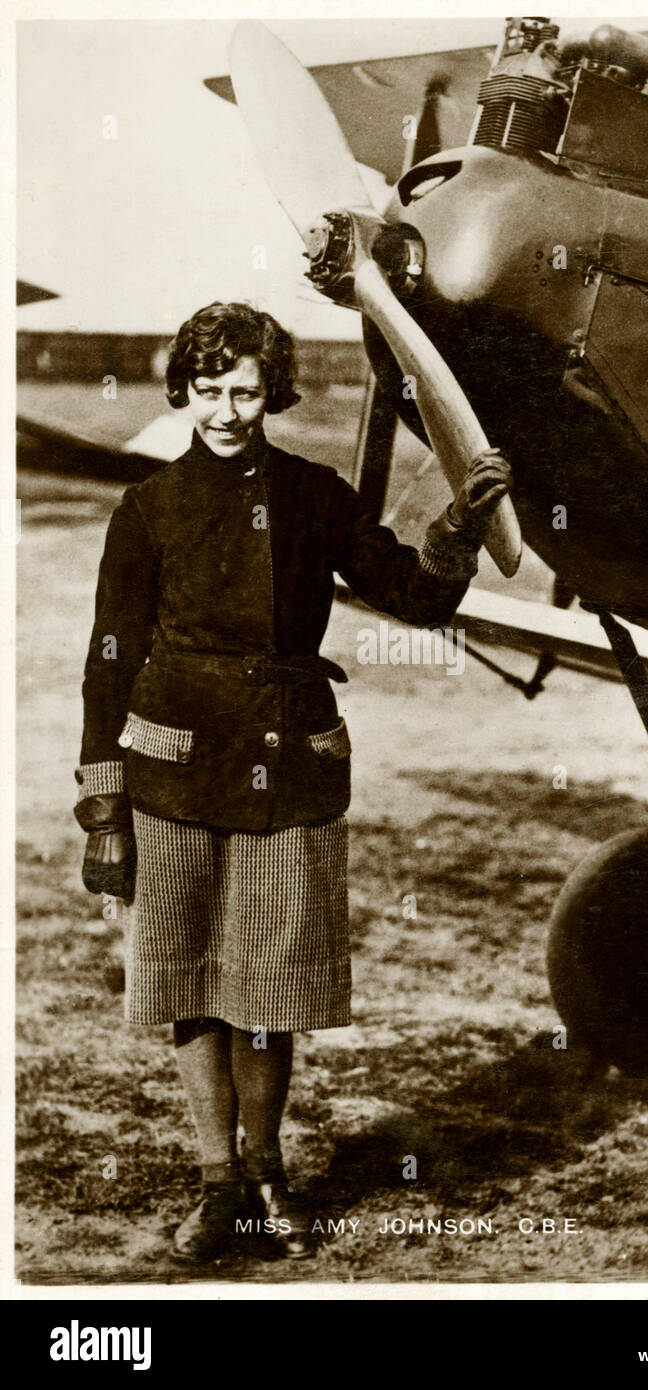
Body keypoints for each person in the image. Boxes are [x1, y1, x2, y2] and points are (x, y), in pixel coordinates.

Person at [74, 300, 511, 1265]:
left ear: (273, 391)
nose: (230, 409)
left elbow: (416, 596)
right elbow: (109, 661)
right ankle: (216, 1183)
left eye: (249, 389)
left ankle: (268, 1169)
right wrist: (104, 812)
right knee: (191, 986)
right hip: (173, 774)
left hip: (289, 773)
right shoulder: (146, 509)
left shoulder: (314, 497)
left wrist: (461, 524)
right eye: (212, 388)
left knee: (267, 991)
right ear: (183, 388)